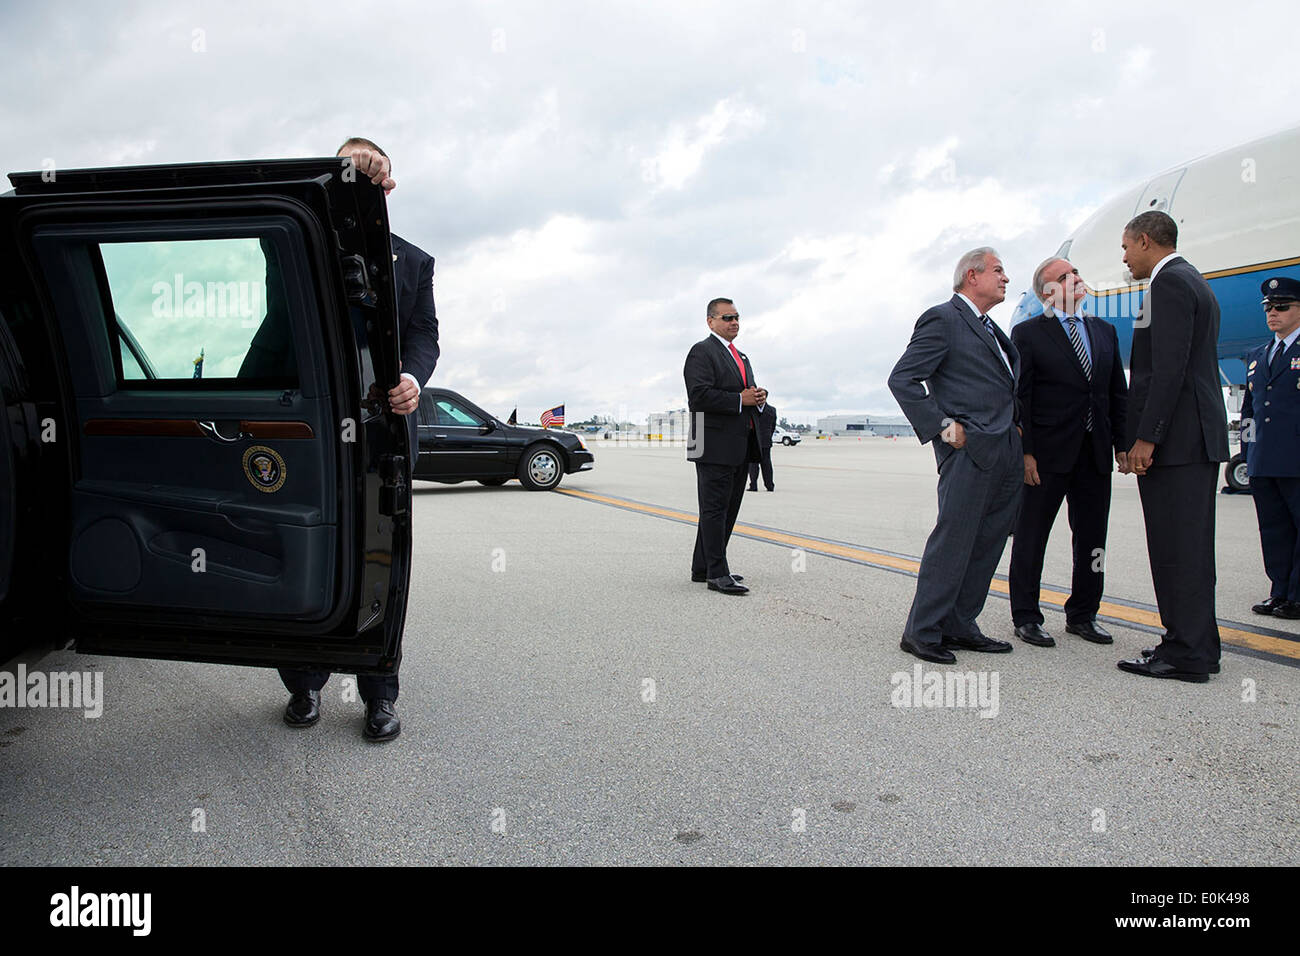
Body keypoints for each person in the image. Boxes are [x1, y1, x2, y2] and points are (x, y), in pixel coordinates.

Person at [280, 137, 441, 739]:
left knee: (383, 561)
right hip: (316, 436)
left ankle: (379, 693)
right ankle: (303, 684)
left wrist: (411, 377)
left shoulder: (415, 261)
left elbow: (425, 336)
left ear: (390, 186)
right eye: (347, 169)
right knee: (308, 554)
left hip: (385, 435)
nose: (364, 178)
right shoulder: (303, 248)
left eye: (374, 172)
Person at [888, 248, 1021, 663]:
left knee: (987, 543)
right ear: (971, 275)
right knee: (954, 541)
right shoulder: (943, 319)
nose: (1006, 278)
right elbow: (903, 378)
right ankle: (923, 631)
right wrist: (945, 427)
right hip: (969, 450)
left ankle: (961, 624)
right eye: (998, 270)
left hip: (1004, 451)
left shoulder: (992, 329)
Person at [1117, 210, 1228, 683]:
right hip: (1194, 439)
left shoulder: (1169, 284)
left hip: (1177, 443)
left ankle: (1184, 653)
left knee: (1174, 549)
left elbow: (1167, 371)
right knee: (1193, 549)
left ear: (1146, 241)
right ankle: (1200, 646)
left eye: (1126, 248)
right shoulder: (1195, 281)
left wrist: (1146, 437)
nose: (1124, 258)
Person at [1008, 257, 1128, 647]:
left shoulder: (1105, 331)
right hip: (1046, 455)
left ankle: (1083, 614)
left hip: (1094, 454)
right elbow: (1019, 398)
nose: (1075, 278)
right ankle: (1026, 616)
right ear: (1047, 292)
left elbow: (1116, 394)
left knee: (1093, 540)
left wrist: (1122, 444)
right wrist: (1025, 453)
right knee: (1031, 538)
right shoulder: (1028, 335)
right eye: (1064, 277)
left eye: (1075, 272)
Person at [684, 298, 765, 595]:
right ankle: (718, 574)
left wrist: (757, 396)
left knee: (726, 509)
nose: (734, 322)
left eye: (737, 317)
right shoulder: (702, 352)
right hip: (711, 443)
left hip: (738, 443)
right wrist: (738, 400)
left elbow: (744, 393)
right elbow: (699, 396)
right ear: (711, 321)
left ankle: (703, 566)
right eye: (727, 317)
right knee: (715, 510)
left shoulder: (741, 357)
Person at [1239, 276, 1300, 619]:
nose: (1272, 313)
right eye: (1268, 308)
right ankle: (1279, 591)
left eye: (1282, 307)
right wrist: (1248, 455)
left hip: (1296, 459)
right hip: (1264, 459)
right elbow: (1250, 410)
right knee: (1273, 529)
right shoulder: (1257, 356)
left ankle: (1297, 596)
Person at [748, 403, 777, 491]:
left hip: (762, 440)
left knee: (763, 464)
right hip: (758, 440)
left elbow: (773, 426)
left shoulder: (752, 409)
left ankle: (767, 485)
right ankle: (757, 485)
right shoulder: (771, 409)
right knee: (756, 465)